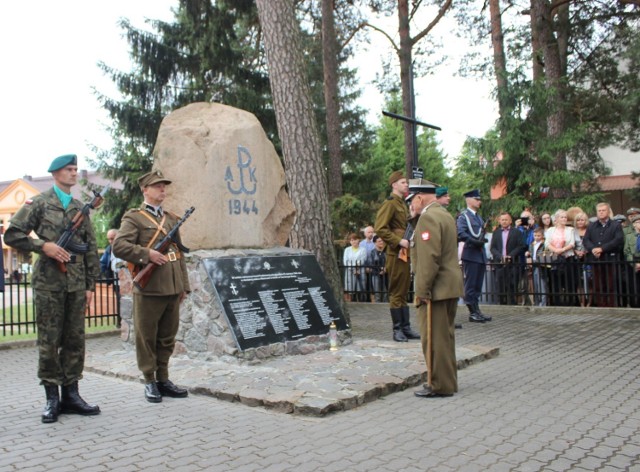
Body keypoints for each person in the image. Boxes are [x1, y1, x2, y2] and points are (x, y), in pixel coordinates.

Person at [4, 154, 101, 423]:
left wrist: (90, 284)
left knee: (74, 340)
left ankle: (71, 394)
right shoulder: (40, 203)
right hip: (49, 284)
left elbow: (90, 248)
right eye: (69, 170)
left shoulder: (80, 207)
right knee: (49, 341)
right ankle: (52, 398)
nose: (74, 174)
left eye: (76, 169)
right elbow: (12, 234)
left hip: (76, 284)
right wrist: (42, 246)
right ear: (56, 173)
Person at [112, 170, 191, 403]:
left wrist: (183, 286)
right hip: (150, 286)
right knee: (147, 337)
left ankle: (163, 379)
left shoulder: (172, 218)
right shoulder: (134, 218)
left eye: (164, 186)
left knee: (167, 337)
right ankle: (149, 381)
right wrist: (147, 254)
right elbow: (120, 246)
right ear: (145, 190)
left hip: (172, 286)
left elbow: (179, 253)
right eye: (157, 186)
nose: (162, 190)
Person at [408, 181, 464, 398]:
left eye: (412, 201)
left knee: (434, 339)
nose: (411, 206)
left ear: (419, 198)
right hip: (449, 285)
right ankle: (448, 381)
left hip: (436, 289)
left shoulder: (428, 218)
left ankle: (439, 384)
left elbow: (429, 259)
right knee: (445, 337)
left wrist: (422, 290)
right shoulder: (444, 214)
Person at [374, 171, 420, 342]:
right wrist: (398, 241)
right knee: (396, 292)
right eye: (402, 182)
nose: (406, 185)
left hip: (404, 253)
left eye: (406, 182)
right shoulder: (391, 204)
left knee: (403, 290)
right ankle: (397, 330)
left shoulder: (401, 203)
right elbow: (380, 228)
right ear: (394, 185)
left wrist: (413, 217)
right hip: (395, 252)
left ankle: (406, 327)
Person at [457, 189, 490, 322]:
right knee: (471, 285)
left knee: (477, 285)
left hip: (480, 254)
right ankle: (472, 312)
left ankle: (477, 310)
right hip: (471, 253)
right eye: (476, 199)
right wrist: (473, 241)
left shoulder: (478, 217)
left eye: (479, 199)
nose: (479, 201)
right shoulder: (464, 217)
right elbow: (460, 232)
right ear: (468, 200)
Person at [582, 202, 624, 307]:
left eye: (603, 210)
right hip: (596, 259)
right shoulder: (592, 225)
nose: (601, 213)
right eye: (599, 211)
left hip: (610, 259)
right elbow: (586, 240)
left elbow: (618, 240)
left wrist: (602, 249)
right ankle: (601, 305)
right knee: (598, 284)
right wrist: (593, 249)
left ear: (608, 211)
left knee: (610, 284)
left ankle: (611, 305)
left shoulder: (615, 225)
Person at [489, 212, 526, 305]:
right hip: (500, 263)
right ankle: (502, 304)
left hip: (513, 263)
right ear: (499, 221)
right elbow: (492, 248)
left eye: (506, 219)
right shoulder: (496, 233)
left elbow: (521, 246)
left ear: (510, 221)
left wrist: (510, 256)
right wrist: (500, 256)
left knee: (512, 285)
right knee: (500, 285)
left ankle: (513, 304)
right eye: (502, 220)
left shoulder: (517, 232)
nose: (504, 221)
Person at [544, 209, 577, 306]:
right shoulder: (550, 230)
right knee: (555, 282)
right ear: (557, 219)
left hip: (567, 258)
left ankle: (571, 302)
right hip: (555, 259)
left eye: (565, 217)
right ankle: (556, 303)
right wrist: (555, 250)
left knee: (569, 281)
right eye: (562, 217)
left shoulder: (570, 230)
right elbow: (547, 243)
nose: (564, 219)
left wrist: (561, 250)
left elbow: (572, 243)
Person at [573, 211, 592, 307]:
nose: (580, 222)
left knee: (589, 280)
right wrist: (576, 251)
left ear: (586, 221)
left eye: (582, 220)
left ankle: (589, 302)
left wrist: (587, 251)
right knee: (579, 282)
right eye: (578, 220)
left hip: (588, 257)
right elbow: (570, 244)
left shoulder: (590, 230)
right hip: (577, 258)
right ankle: (581, 302)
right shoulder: (573, 231)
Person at [527, 227, 548, 306]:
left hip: (540, 266)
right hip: (533, 266)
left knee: (542, 285)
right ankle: (536, 302)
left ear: (542, 235)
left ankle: (543, 303)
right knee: (535, 285)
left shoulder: (544, 244)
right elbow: (532, 254)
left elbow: (544, 254)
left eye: (538, 235)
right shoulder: (532, 244)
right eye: (535, 235)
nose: (536, 237)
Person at [343, 232, 367, 302]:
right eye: (352, 240)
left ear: (358, 240)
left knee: (360, 288)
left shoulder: (363, 249)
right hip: (350, 271)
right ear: (350, 241)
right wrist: (353, 269)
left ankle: (361, 302)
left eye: (355, 239)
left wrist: (356, 267)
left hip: (360, 271)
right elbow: (345, 261)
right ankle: (352, 301)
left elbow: (362, 260)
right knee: (351, 289)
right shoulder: (347, 250)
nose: (354, 241)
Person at [623, 214, 640, 307]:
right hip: (634, 264)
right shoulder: (630, 236)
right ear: (633, 224)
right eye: (637, 222)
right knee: (635, 287)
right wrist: (634, 263)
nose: (639, 224)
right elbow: (627, 251)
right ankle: (635, 305)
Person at [366, 235, 387, 302]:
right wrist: (379, 270)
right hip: (375, 274)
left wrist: (385, 269)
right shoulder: (372, 253)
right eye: (379, 241)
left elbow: (389, 262)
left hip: (386, 275)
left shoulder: (386, 252)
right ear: (375, 243)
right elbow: (371, 264)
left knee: (385, 293)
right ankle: (377, 308)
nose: (381, 242)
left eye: (382, 241)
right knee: (377, 293)